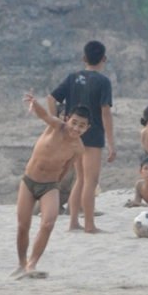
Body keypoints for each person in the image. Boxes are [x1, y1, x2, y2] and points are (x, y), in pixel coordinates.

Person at [13, 90, 91, 279]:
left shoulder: (78, 148)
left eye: (81, 126)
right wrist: (35, 102)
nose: (76, 128)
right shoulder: (56, 126)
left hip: (50, 186)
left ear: (87, 128)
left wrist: (56, 184)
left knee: (48, 224)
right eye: (74, 123)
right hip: (29, 181)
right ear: (67, 119)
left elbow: (66, 168)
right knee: (23, 225)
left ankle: (32, 264)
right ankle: (22, 263)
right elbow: (45, 115)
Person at [47, 40, 116, 233]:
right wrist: (111, 144)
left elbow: (51, 98)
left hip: (72, 133)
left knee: (80, 178)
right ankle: (89, 225)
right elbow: (105, 113)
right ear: (104, 59)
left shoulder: (72, 77)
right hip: (92, 134)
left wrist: (57, 125)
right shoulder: (103, 82)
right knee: (90, 181)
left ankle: (73, 223)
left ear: (83, 58)